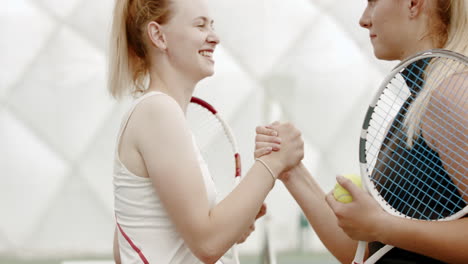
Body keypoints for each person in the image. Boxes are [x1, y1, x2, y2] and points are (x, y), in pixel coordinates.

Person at [255, 0, 467, 263]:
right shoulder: (419, 103)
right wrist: (291, 170)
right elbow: (366, 251)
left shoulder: (447, 96)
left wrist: (381, 225)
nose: (364, 20)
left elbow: (383, 232)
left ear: (413, 4)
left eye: (373, 2)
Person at [107, 0, 304, 263]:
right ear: (158, 36)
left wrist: (230, 227)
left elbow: (125, 249)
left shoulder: (155, 112)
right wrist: (272, 162)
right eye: (200, 25)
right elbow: (208, 243)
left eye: (212, 25)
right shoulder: (158, 112)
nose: (215, 38)